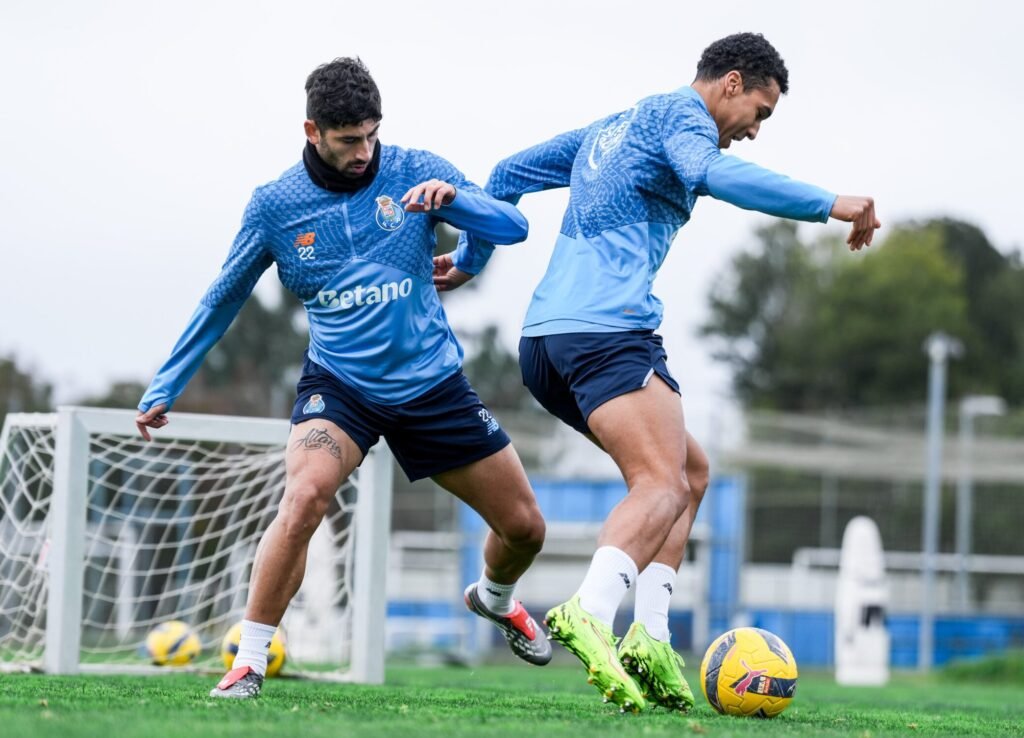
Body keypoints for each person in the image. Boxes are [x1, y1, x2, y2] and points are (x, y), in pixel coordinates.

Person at [434, 32, 880, 713]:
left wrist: (471, 259)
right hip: (607, 332)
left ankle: (651, 635)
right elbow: (714, 175)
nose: (754, 131)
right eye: (759, 113)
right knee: (661, 484)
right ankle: (590, 611)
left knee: (691, 474)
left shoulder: (615, 127)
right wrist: (831, 202)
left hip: (547, 343)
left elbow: (507, 172)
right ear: (731, 83)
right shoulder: (681, 118)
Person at [135, 57, 552, 699]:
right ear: (313, 132)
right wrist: (166, 382)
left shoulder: (415, 169)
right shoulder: (275, 206)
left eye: (372, 135)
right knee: (304, 498)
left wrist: (458, 202)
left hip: (432, 385)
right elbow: (224, 296)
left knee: (526, 528)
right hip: (341, 388)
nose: (364, 152)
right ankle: (248, 661)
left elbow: (513, 226)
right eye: (349, 139)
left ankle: (495, 598)